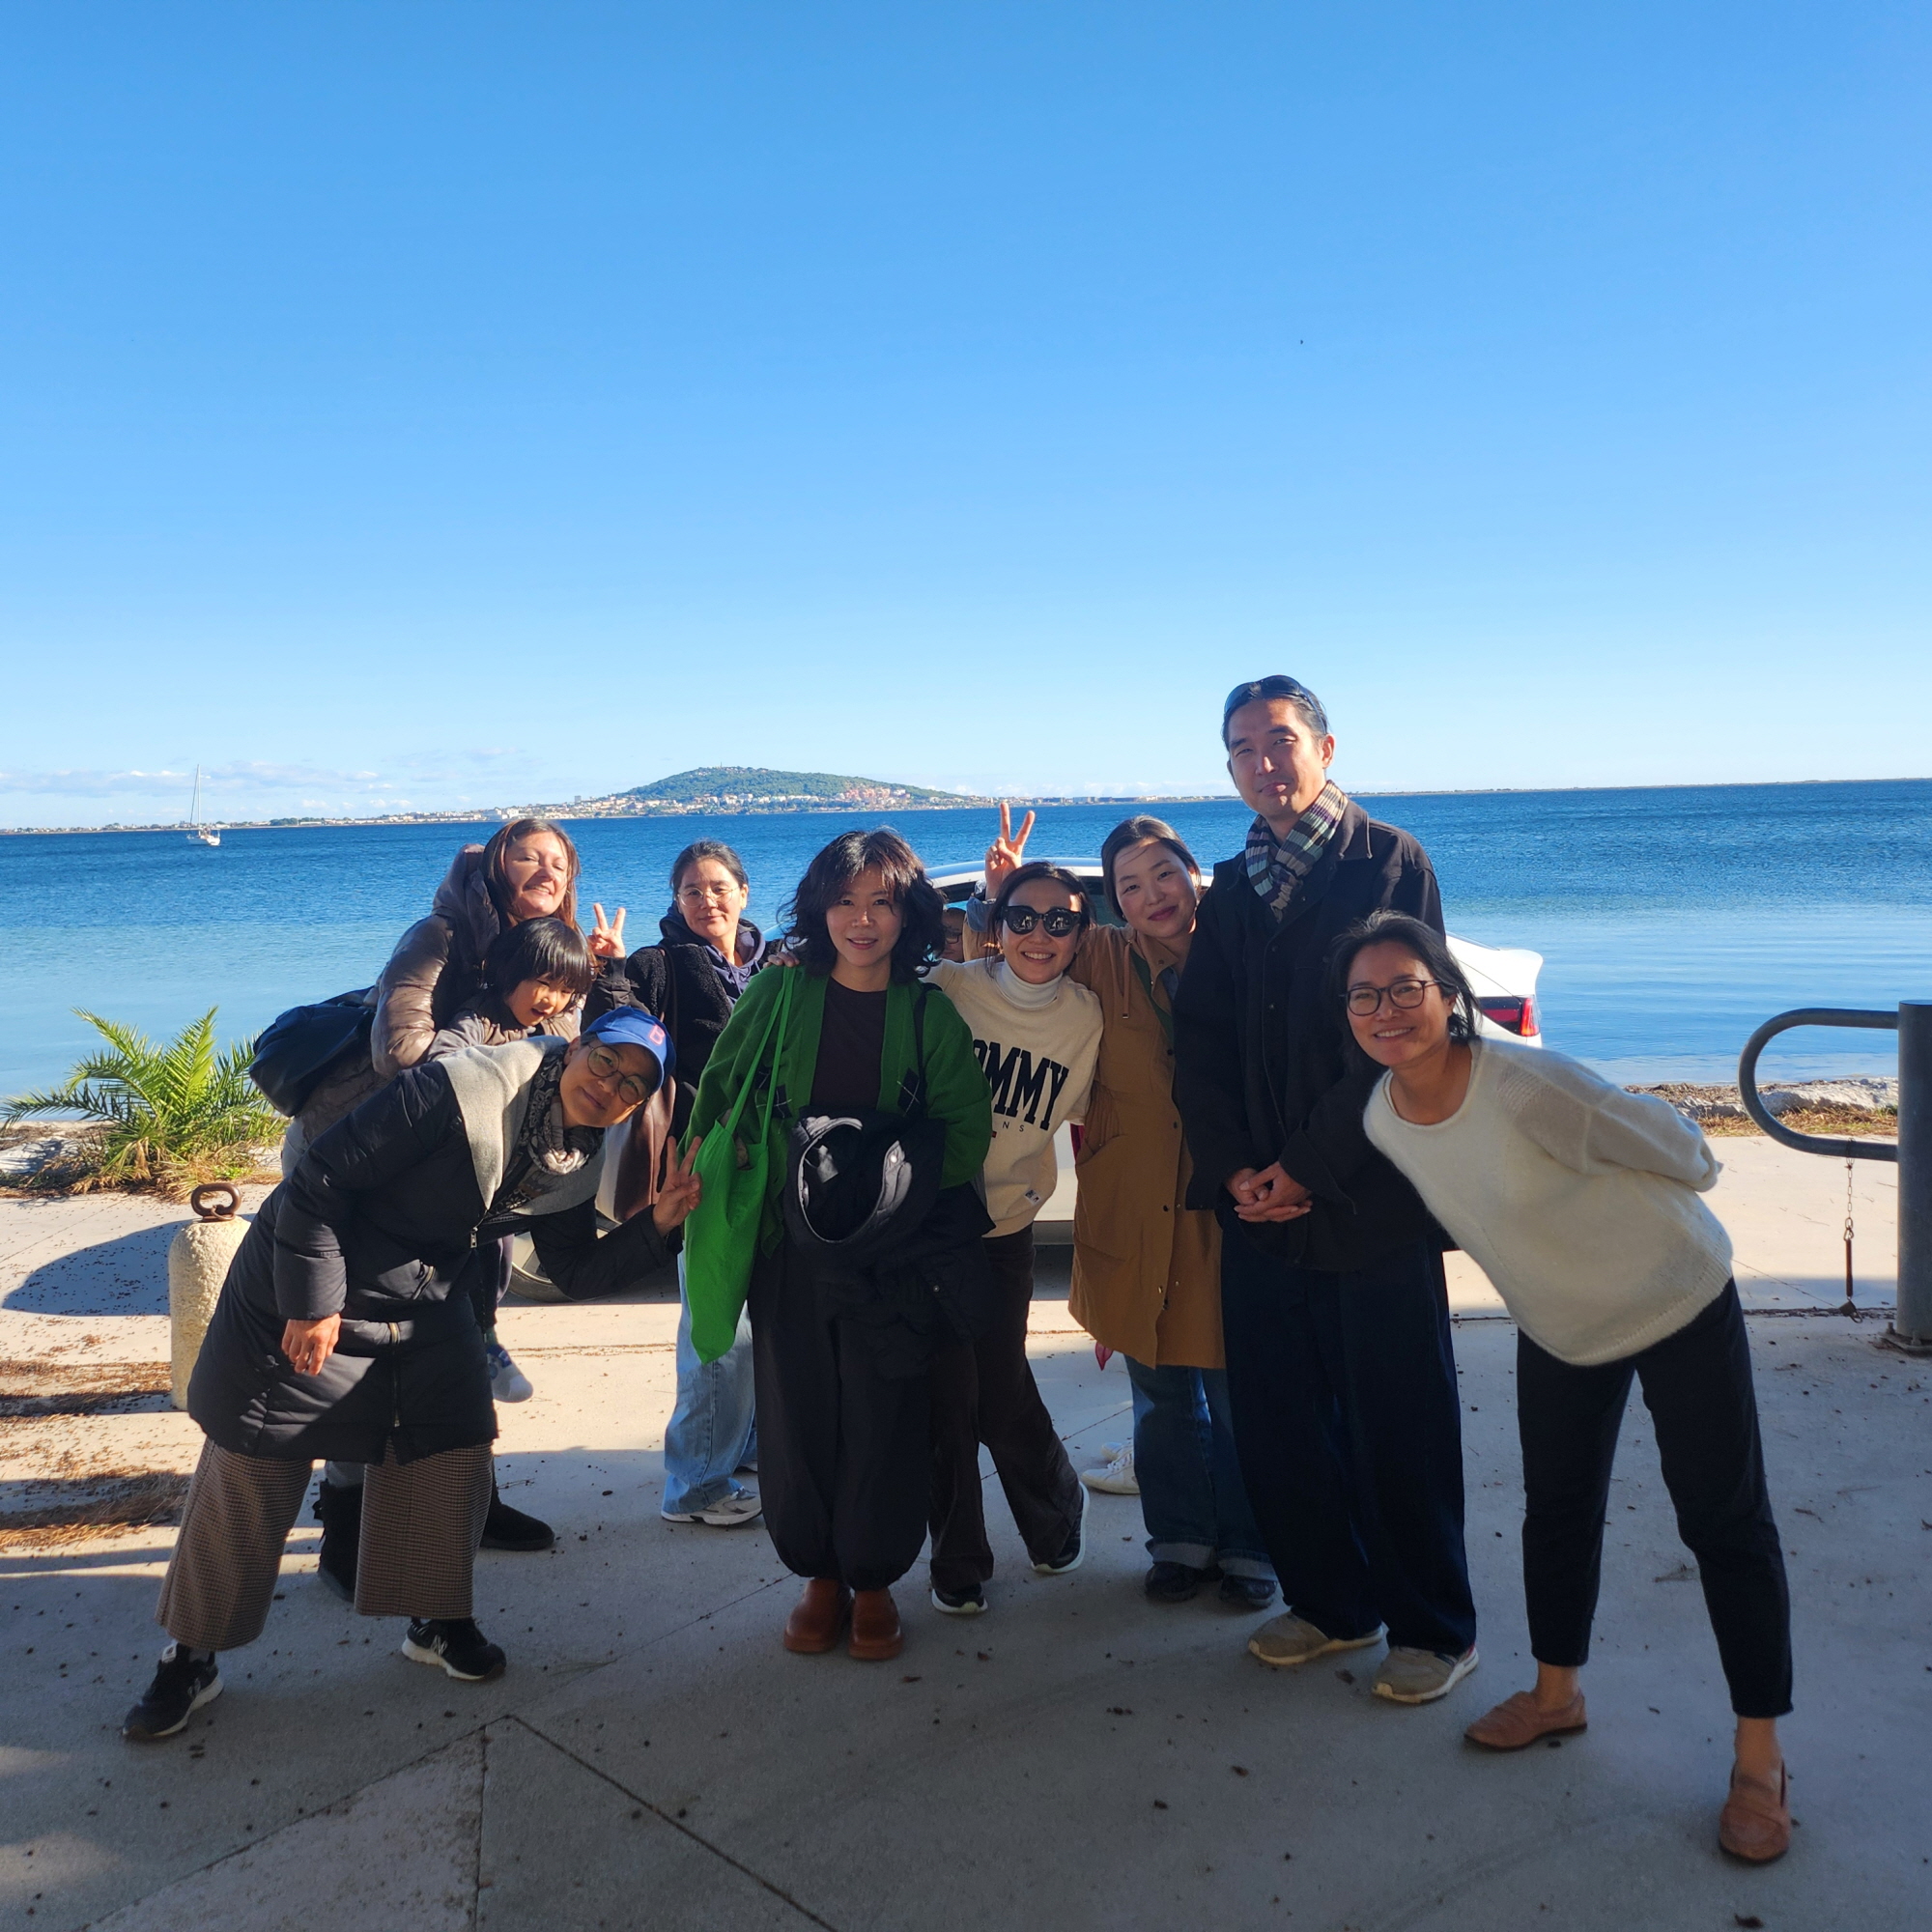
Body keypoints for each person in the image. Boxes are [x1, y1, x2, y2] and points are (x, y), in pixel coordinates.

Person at [1335, 911, 1794, 1861]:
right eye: (1363, 994)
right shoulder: (1382, 1117)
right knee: (1556, 1509)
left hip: (1671, 1292)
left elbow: (1678, 1147)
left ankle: (1760, 1758)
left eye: (1406, 987)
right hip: (1559, 1322)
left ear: (1448, 996)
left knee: (1722, 1520)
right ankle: (1556, 1694)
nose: (1386, 1010)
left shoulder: (1524, 1085)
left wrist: (1658, 1182)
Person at [122, 1011, 700, 1743]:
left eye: (633, 1086)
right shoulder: (455, 1090)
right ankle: (190, 1655)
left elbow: (575, 1269)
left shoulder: (576, 1155)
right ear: (578, 1045)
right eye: (607, 1061)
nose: (611, 1086)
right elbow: (318, 1181)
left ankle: (435, 1621)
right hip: (308, 1279)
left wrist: (659, 1223)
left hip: (425, 1295)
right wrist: (313, 1303)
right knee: (256, 1463)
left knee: (452, 1446)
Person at [1172, 675, 1477, 1705]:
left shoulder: (1388, 862)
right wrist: (1235, 1171)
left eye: (1280, 741)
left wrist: (1303, 1166)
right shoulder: (1231, 887)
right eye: (1242, 749)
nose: (1263, 763)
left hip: (1370, 1198)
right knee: (1280, 1419)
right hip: (1256, 1206)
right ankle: (1331, 1603)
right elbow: (1200, 1044)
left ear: (1325, 748)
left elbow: (1403, 1035)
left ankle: (1434, 1627)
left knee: (1399, 1422)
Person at [687, 829, 992, 1662]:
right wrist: (712, 1167)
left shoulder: (929, 1013)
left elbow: (966, 1132)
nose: (862, 919)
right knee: (796, 1414)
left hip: (889, 1252)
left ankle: (875, 1577)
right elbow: (719, 1096)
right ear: (820, 910)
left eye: (881, 902)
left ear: (908, 913)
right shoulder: (777, 993)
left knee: (885, 1416)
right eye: (845, 901)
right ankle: (819, 1575)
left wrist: (880, 1190)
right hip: (787, 1247)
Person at [980, 806, 1277, 1610]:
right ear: (1114, 901)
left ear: (1193, 875)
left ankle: (1252, 1547)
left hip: (1228, 1203)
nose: (1153, 896)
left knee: (1240, 1392)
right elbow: (1011, 969)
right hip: (1131, 1206)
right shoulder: (1101, 956)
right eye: (1131, 885)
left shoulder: (1243, 948)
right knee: (1160, 1390)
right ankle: (1179, 1542)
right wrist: (998, 899)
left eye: (1164, 874)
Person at [308, 916, 601, 1592]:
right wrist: (505, 1075)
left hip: (469, 1241)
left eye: (565, 990)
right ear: (507, 972)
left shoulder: (553, 1029)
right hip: (394, 1233)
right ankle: (343, 1536)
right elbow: (436, 1076)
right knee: (364, 1385)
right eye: (543, 983)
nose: (552, 1000)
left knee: (463, 1378)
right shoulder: (476, 1022)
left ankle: (477, 1506)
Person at [920, 861, 1102, 1615]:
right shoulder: (949, 988)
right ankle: (957, 1561)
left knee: (998, 1392)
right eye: (1022, 917)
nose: (1039, 934)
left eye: (1060, 921)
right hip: (927, 1230)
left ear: (1081, 935)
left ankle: (1054, 1511)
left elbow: (1106, 1112)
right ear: (997, 925)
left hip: (1005, 1228)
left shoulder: (1087, 1019)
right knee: (945, 1401)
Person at [585, 839, 777, 1529]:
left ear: (744, 893)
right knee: (716, 1326)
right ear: (676, 901)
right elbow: (614, 1036)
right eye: (692, 890)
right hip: (703, 1161)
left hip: (770, 1159)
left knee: (757, 1319)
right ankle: (694, 1484)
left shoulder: (775, 961)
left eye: (718, 887)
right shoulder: (657, 965)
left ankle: (740, 1443)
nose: (706, 901)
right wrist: (610, 970)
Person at [371, 817, 620, 1081]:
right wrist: (518, 1074)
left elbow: (585, 1043)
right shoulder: (438, 936)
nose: (547, 874)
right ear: (497, 867)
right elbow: (398, 1051)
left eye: (559, 867)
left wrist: (608, 971)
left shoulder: (559, 953)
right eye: (529, 859)